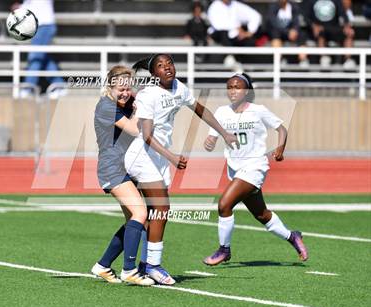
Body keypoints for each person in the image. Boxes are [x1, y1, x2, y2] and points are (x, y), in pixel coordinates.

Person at [125, 54, 239, 285]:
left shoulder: (179, 87)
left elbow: (201, 110)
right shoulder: (149, 94)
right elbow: (146, 136)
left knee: (150, 215)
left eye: (170, 63)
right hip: (142, 157)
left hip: (158, 159)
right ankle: (152, 266)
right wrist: (172, 157)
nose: (167, 67)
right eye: (160, 65)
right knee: (162, 209)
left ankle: (139, 264)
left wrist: (224, 133)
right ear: (154, 74)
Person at [202, 73, 308, 266]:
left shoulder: (258, 110)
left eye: (237, 87)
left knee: (224, 205)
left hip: (255, 166)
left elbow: (281, 129)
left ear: (247, 90)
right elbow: (212, 138)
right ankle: (293, 236)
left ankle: (224, 250)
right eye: (229, 87)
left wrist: (280, 148)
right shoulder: (221, 112)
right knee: (262, 215)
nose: (233, 91)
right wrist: (209, 141)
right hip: (235, 169)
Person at [90, 65, 154, 286]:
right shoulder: (106, 106)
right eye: (121, 89)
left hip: (125, 167)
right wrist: (138, 109)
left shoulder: (123, 101)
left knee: (132, 222)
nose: (125, 93)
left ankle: (103, 266)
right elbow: (134, 129)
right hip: (113, 168)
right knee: (140, 213)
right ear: (110, 87)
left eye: (128, 88)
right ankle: (129, 270)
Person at [13, 0, 66, 98]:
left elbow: (35, 6)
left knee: (35, 57)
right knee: (44, 59)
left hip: (44, 25)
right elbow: (32, 5)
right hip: (41, 25)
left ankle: (28, 88)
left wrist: (20, 8)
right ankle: (59, 85)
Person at [303, 0, 355, 68]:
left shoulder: (336, 1)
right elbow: (306, 17)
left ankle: (348, 59)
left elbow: (343, 13)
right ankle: (324, 58)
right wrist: (313, 26)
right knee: (321, 33)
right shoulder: (311, 1)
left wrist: (347, 26)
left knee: (349, 33)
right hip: (319, 30)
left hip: (334, 28)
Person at [267, 0, 309, 68]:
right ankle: (279, 61)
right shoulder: (273, 6)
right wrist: (287, 32)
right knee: (275, 35)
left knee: (302, 35)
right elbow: (273, 23)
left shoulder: (294, 6)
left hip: (292, 32)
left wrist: (294, 30)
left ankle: (303, 59)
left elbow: (297, 21)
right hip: (279, 32)